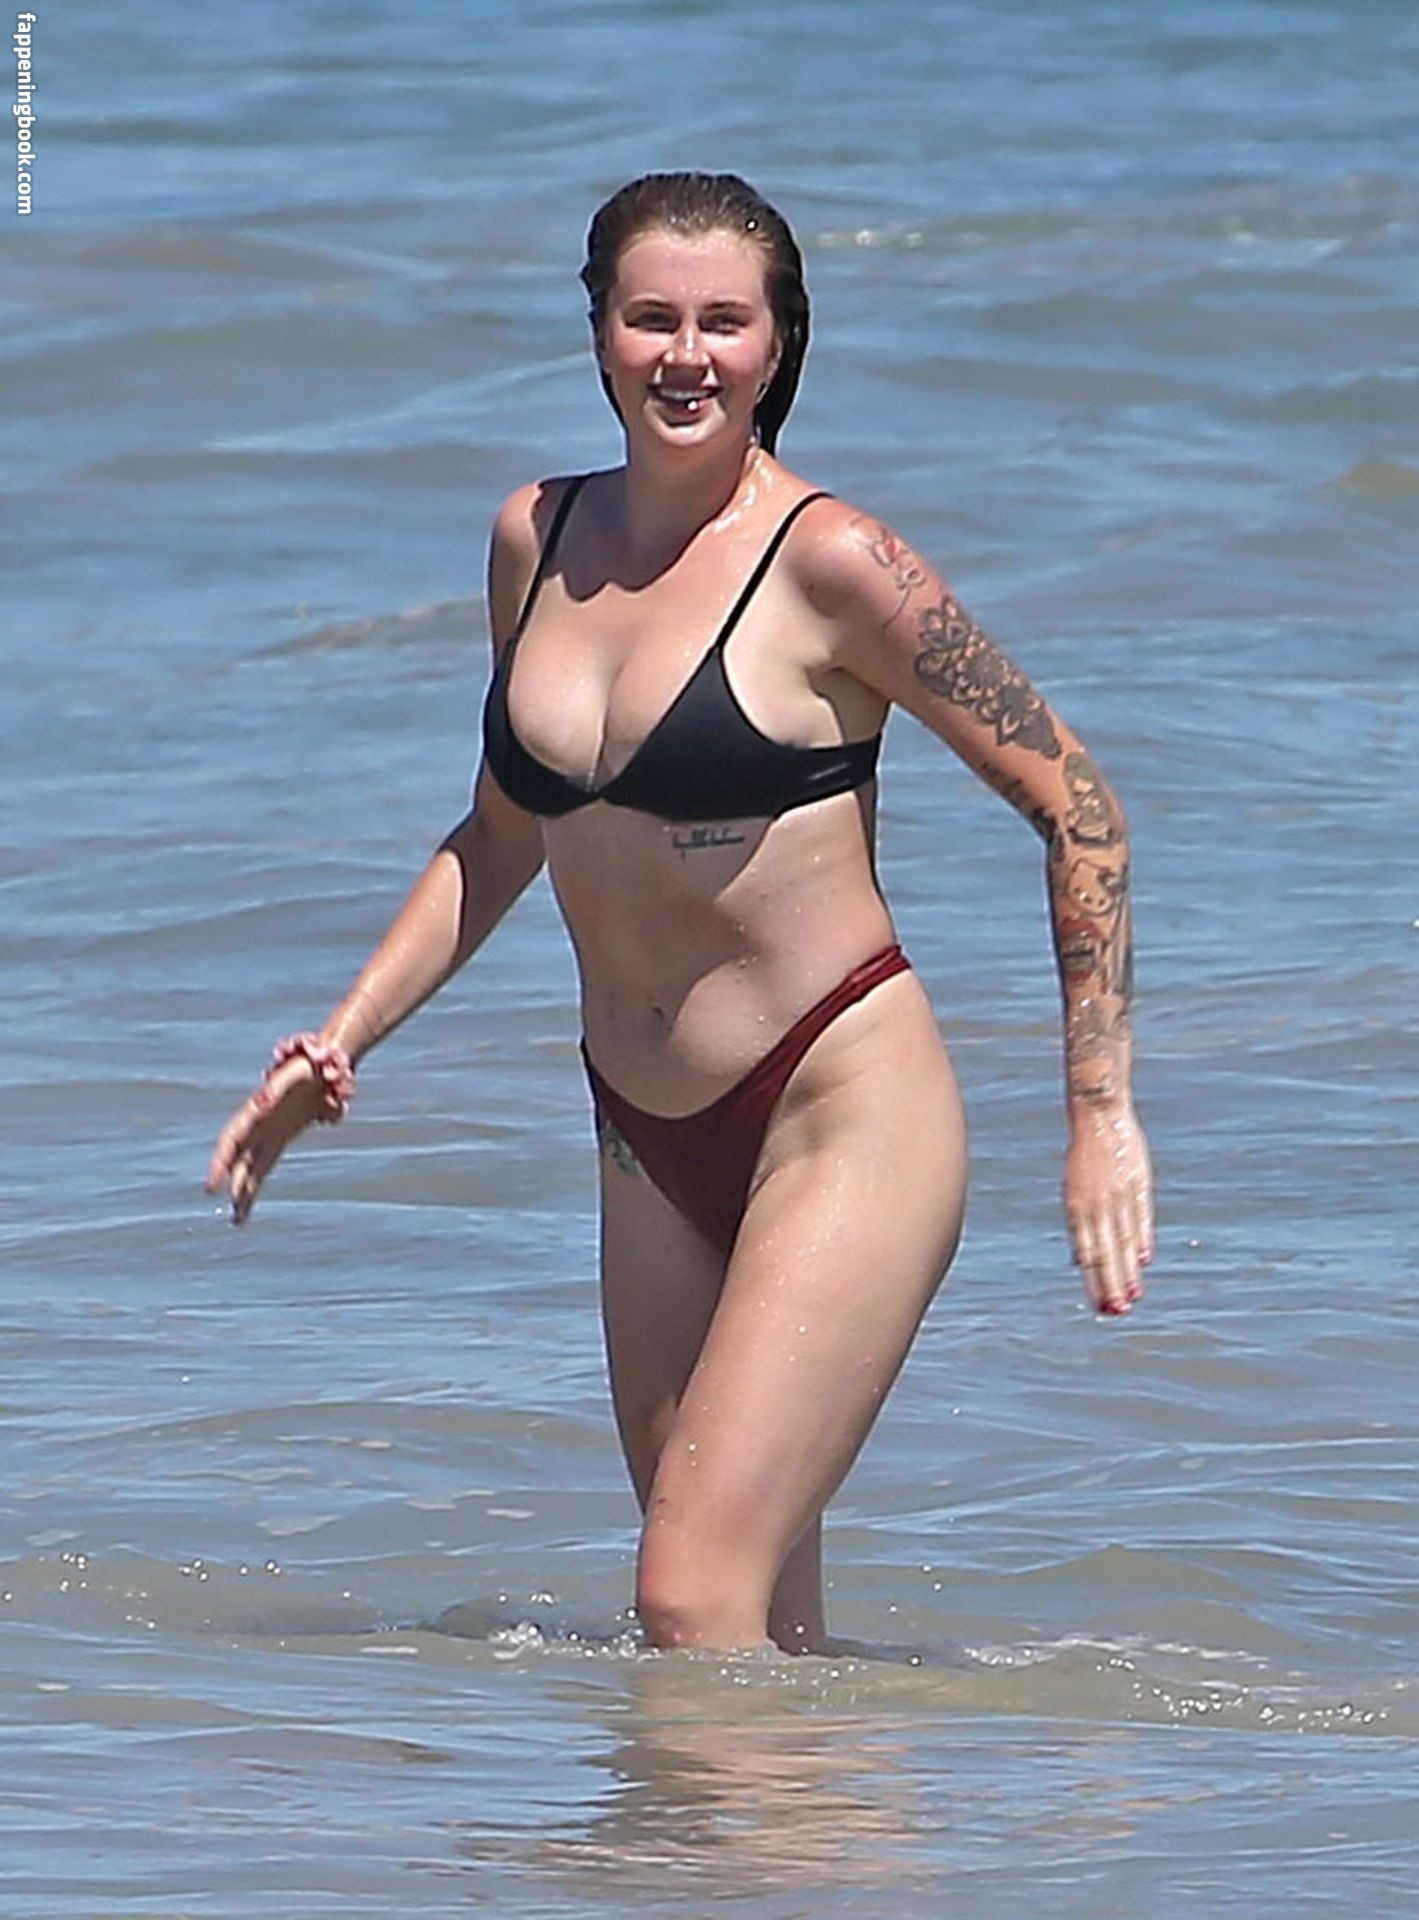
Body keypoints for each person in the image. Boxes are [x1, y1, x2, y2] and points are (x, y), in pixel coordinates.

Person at [207, 171, 1154, 1658]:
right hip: (643, 1138)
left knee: (682, 1591)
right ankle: (838, 1818)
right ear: (600, 334)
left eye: (726, 321)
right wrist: (337, 1044)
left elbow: (1079, 806)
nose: (687, 355)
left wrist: (1100, 1115)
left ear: (780, 346)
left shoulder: (835, 565)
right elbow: (501, 835)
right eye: (652, 318)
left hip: (839, 1111)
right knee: (747, 1632)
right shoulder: (535, 539)